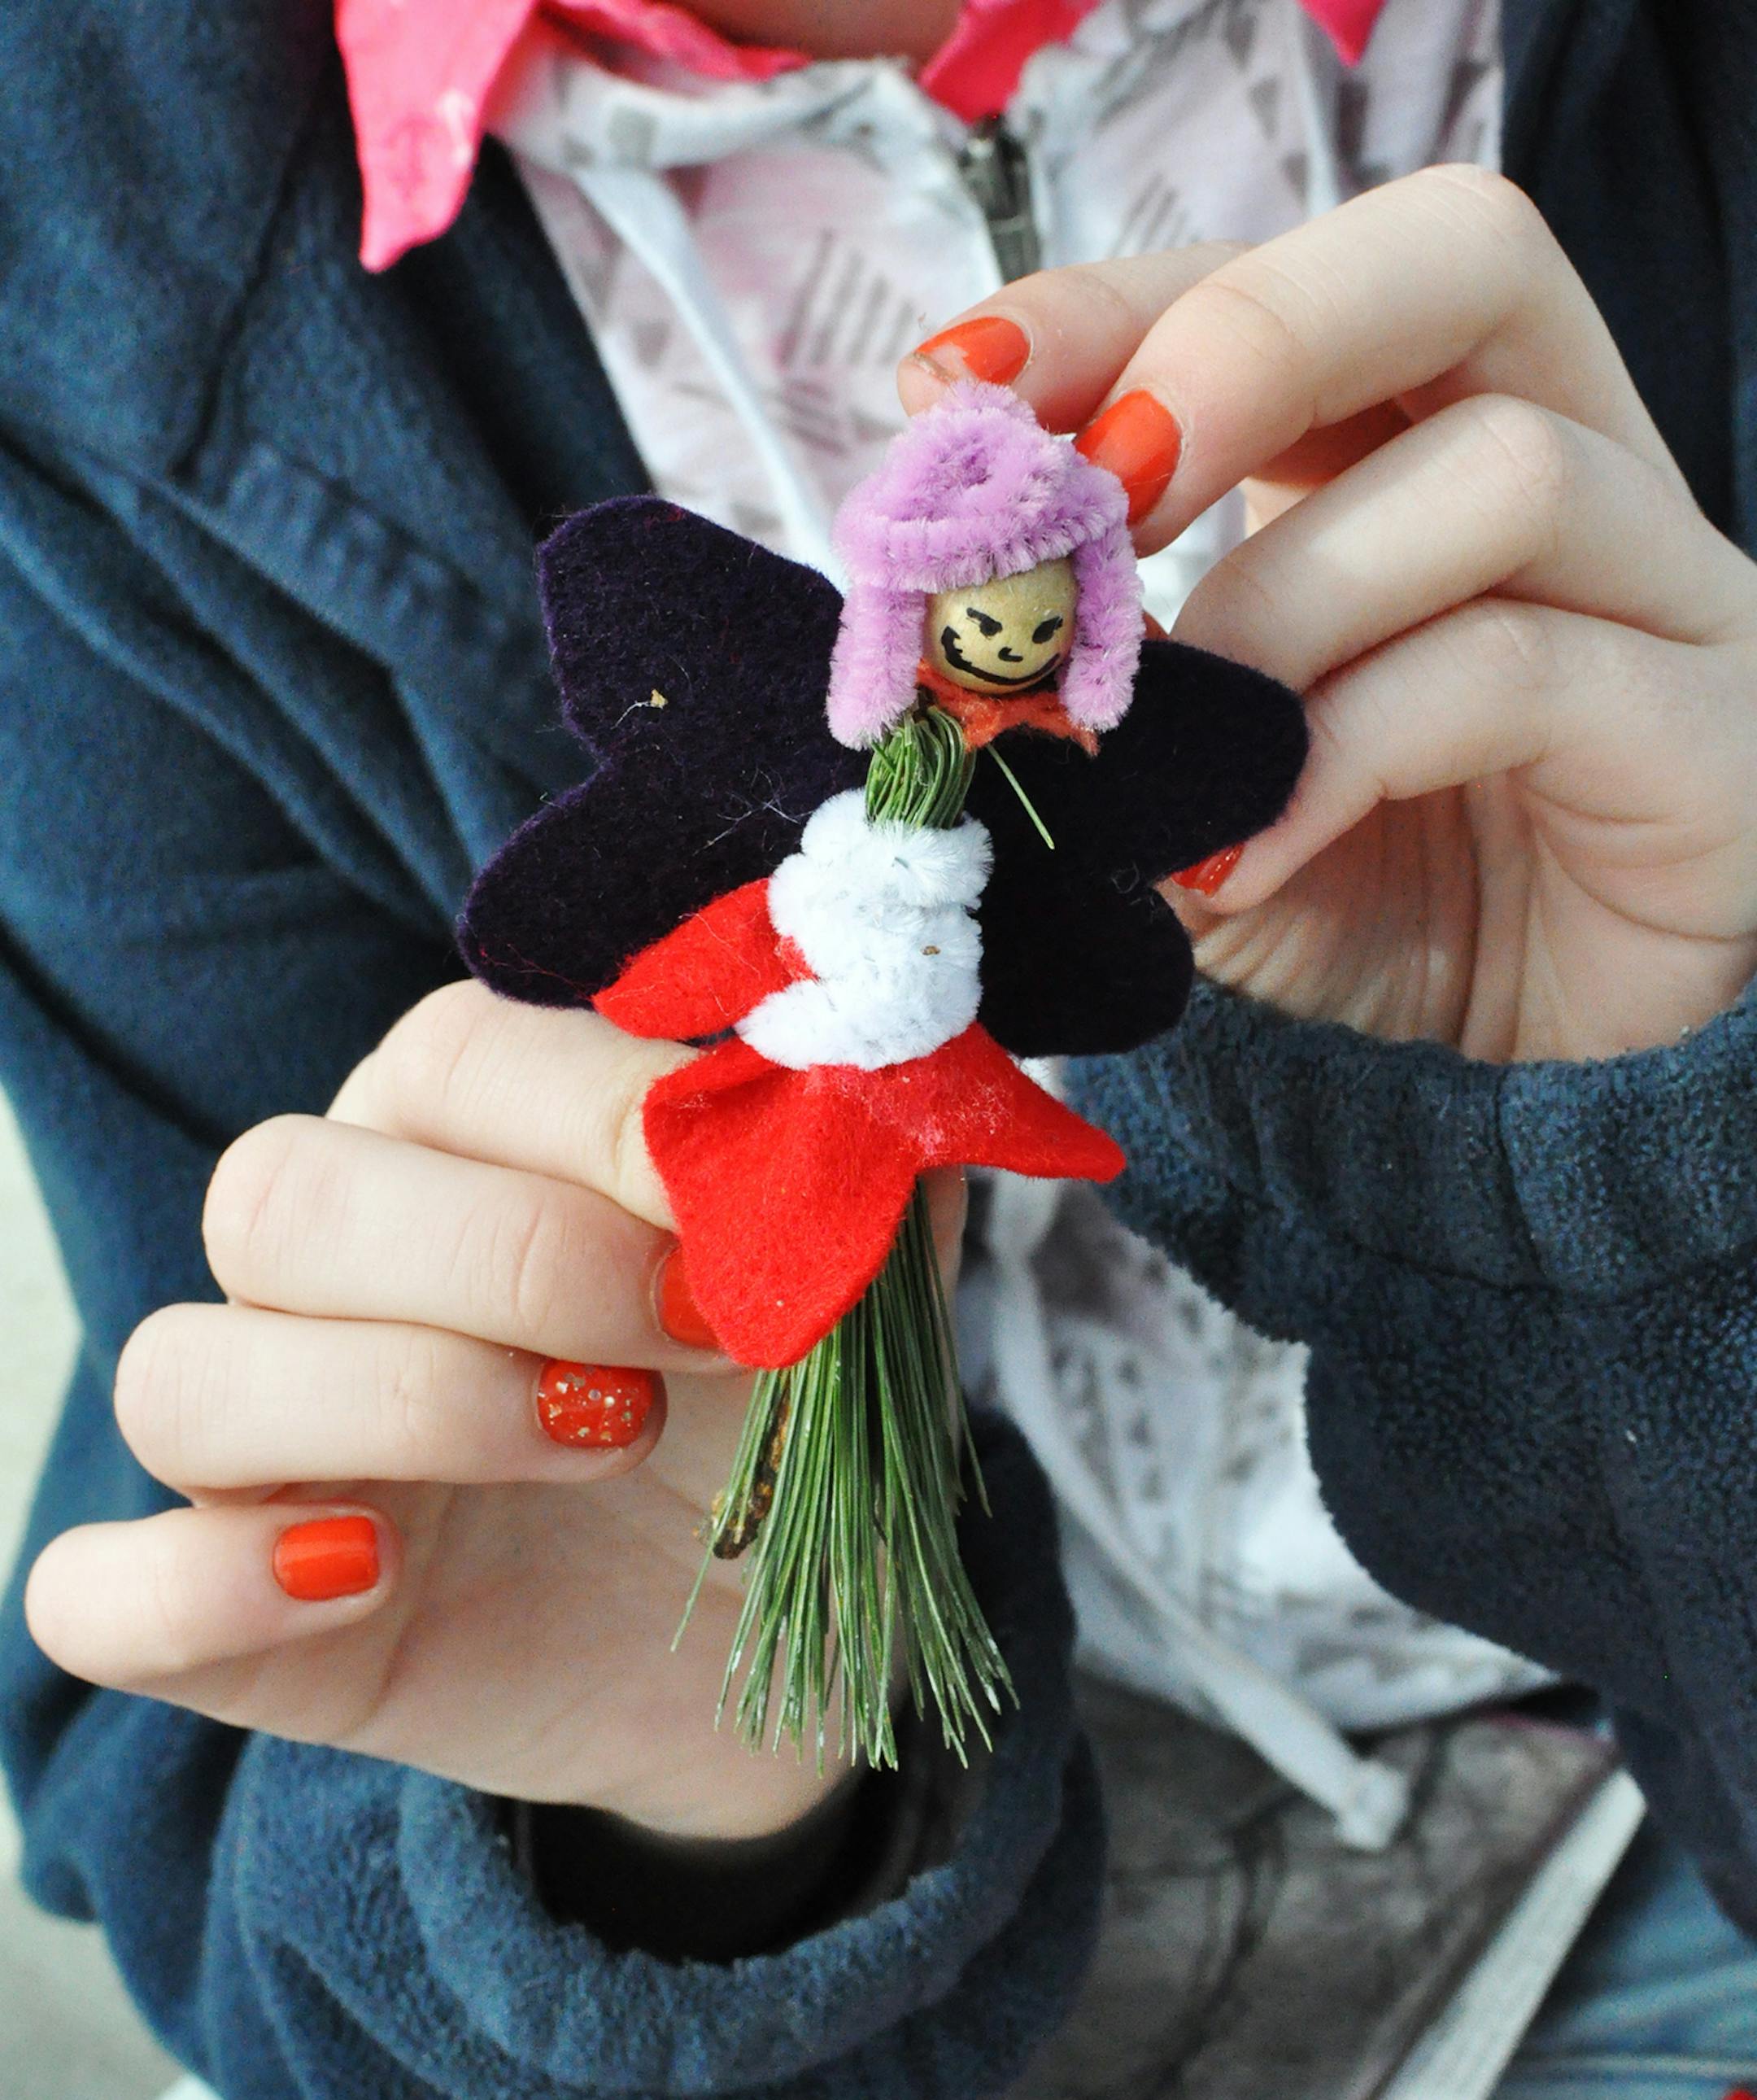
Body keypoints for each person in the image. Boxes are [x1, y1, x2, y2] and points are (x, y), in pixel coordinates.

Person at [3, 1, 1757, 2094]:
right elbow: (228, 1777)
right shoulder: (89, 244)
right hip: (1009, 1944)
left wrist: (1673, 1191)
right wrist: (681, 1849)